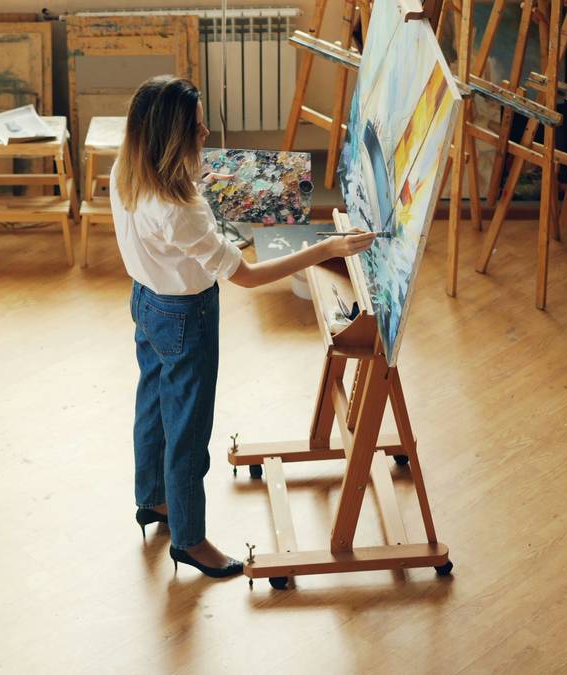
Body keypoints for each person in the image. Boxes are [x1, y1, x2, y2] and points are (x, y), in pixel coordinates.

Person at [110, 75, 375, 578]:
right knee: (188, 431)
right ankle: (189, 540)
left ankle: (155, 501)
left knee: (152, 401)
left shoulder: (128, 168)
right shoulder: (179, 210)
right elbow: (247, 276)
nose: (206, 131)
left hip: (145, 302)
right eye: (196, 125)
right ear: (171, 138)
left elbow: (192, 196)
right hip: (186, 315)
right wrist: (325, 249)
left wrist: (263, 182)